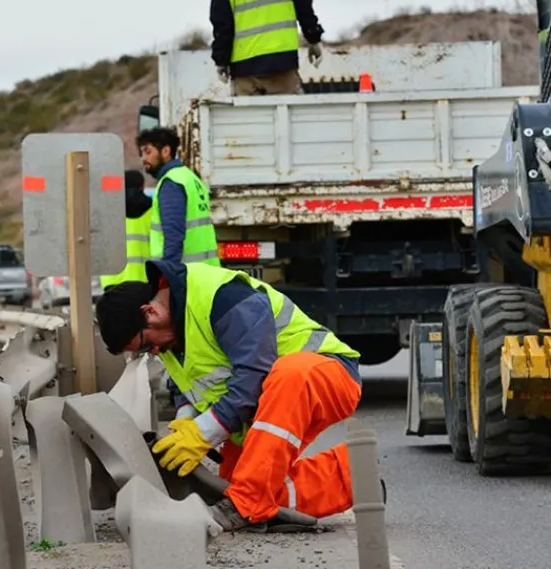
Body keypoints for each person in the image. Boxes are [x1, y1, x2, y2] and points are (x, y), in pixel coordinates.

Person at [94, 258, 369, 532]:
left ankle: (246, 503)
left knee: (289, 374)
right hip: (264, 404)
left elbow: (254, 372)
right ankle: (353, 478)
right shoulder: (170, 335)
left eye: (145, 345)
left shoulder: (224, 298)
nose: (152, 352)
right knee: (233, 487)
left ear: (150, 312)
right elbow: (187, 381)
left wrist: (203, 433)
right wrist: (186, 418)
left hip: (326, 373)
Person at [136, 127, 219, 267]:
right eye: (142, 153)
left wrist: (168, 276)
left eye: (148, 152)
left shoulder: (171, 183)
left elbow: (173, 236)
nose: (144, 159)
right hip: (205, 272)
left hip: (187, 275)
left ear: (166, 151)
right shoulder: (190, 177)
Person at [100, 169, 153, 289]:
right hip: (142, 280)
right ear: (142, 186)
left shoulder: (108, 212)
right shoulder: (153, 211)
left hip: (112, 281)